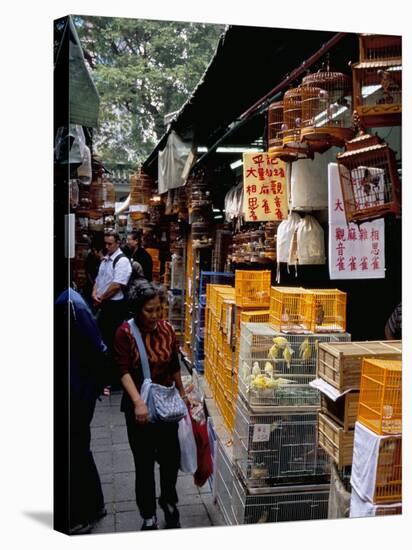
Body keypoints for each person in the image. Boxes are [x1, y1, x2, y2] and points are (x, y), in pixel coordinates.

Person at [113, 280, 188, 530]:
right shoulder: (125, 332)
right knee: (143, 464)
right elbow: (122, 370)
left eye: (159, 309)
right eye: (150, 310)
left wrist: (183, 394)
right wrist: (137, 403)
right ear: (137, 309)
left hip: (166, 406)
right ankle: (148, 514)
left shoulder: (167, 329)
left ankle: (168, 500)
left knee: (170, 459)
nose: (156, 315)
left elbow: (174, 365)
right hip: (140, 409)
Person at [55, 288, 108, 535]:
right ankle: (93, 506)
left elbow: (97, 349)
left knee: (73, 451)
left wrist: (96, 386)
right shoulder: (70, 302)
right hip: (76, 390)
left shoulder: (70, 304)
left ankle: (80, 514)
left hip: (75, 393)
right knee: (78, 450)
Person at [93, 231, 132, 387]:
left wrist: (101, 298)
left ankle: (115, 380)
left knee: (114, 342)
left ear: (118, 243)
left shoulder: (122, 261)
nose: (107, 246)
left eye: (110, 244)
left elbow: (117, 285)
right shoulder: (106, 260)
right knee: (104, 340)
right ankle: (106, 377)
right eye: (106, 244)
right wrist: (95, 292)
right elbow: (98, 278)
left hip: (115, 307)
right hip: (104, 304)